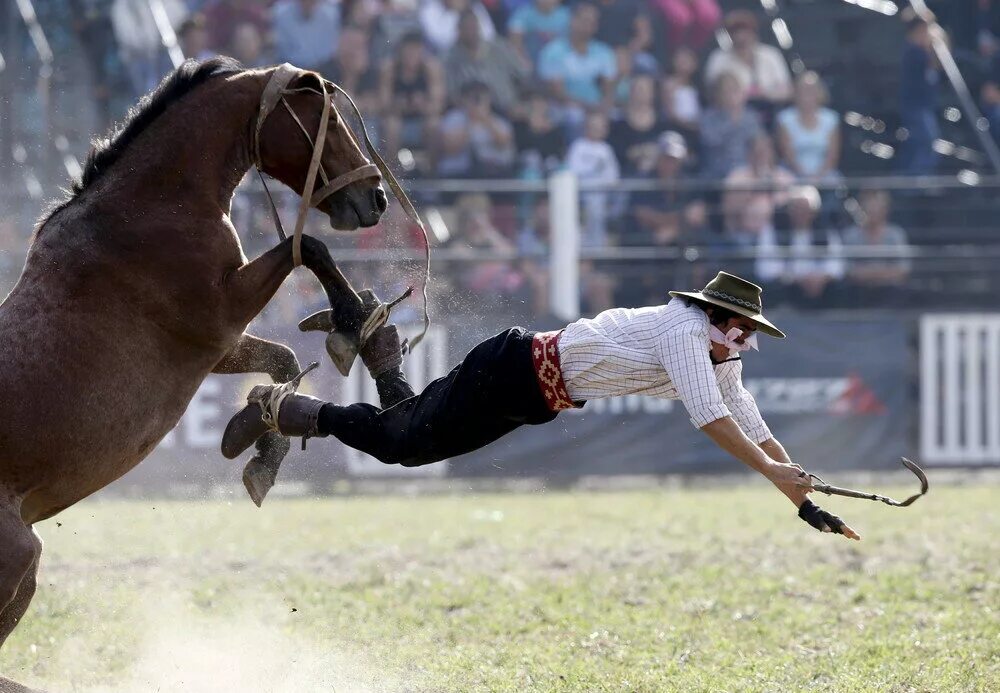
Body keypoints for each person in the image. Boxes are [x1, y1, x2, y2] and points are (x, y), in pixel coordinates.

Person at [222, 271, 861, 540]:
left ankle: (379, 347)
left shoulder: (721, 352)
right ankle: (283, 408)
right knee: (401, 443)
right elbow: (713, 419)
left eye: (751, 335)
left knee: (406, 434)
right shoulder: (686, 332)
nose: (746, 344)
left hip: (531, 388)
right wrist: (777, 475)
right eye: (741, 330)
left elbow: (748, 418)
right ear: (716, 318)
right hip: (516, 374)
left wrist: (803, 501)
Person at [444, 9, 531, 115]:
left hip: (508, 107)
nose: (471, 32)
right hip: (470, 114)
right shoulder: (449, 58)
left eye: (474, 27)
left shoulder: (499, 48)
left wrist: (522, 103)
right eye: (467, 28)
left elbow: (522, 74)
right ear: (459, 30)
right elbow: (450, 94)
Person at [704, 10, 792, 108]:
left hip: (770, 109)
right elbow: (712, 94)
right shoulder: (718, 58)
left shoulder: (771, 54)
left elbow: (786, 91)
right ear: (730, 34)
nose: (741, 36)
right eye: (736, 31)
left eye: (745, 30)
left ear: (754, 32)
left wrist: (764, 94)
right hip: (732, 113)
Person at [436, 80, 517, 179]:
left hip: (493, 173)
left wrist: (486, 120)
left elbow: (503, 142)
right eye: (473, 98)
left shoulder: (498, 119)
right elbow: (450, 148)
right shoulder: (453, 118)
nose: (477, 102)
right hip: (459, 173)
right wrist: (469, 121)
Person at [565, 110, 620, 247]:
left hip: (602, 196)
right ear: (586, 127)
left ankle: (597, 250)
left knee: (598, 208)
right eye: (593, 126)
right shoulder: (578, 146)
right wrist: (593, 170)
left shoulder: (606, 149)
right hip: (581, 195)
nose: (596, 130)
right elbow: (572, 171)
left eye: (600, 127)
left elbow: (613, 177)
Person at [775, 72, 841, 184]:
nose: (807, 95)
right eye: (803, 90)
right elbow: (787, 154)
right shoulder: (784, 118)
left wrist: (819, 177)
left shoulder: (831, 118)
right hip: (793, 174)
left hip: (825, 175)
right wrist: (805, 177)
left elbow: (832, 155)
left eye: (811, 90)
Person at [898, 9, 942, 176]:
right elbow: (933, 60)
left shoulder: (920, 52)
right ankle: (918, 182)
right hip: (916, 108)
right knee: (926, 141)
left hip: (923, 107)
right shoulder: (914, 52)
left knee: (924, 142)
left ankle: (919, 180)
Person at [699, 71, 762, 181]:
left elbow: (758, 143)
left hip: (747, 172)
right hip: (718, 173)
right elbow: (711, 141)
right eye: (726, 91)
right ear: (717, 95)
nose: (731, 95)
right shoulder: (708, 117)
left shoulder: (750, 117)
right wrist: (731, 119)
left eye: (734, 90)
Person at [272, 0, 341, 71]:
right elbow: (282, 49)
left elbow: (329, 50)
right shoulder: (280, 13)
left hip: (322, 68)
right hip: (290, 68)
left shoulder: (331, 14)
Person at [507, 0, 571, 63]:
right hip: (529, 60)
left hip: (559, 62)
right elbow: (515, 43)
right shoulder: (522, 13)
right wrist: (522, 60)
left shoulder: (568, 16)